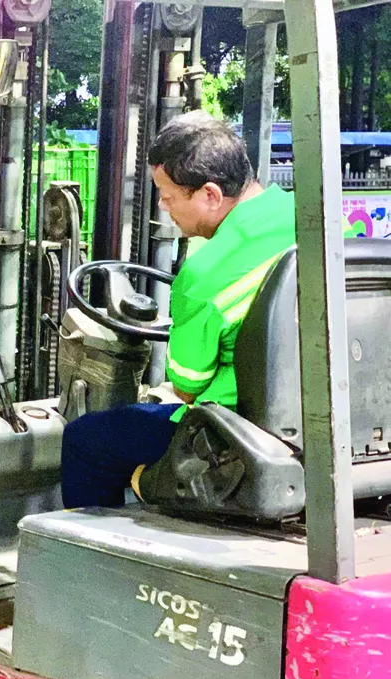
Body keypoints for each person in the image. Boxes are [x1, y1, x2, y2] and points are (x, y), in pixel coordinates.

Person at [61, 111, 299, 509]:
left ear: (209, 194)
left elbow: (187, 387)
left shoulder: (205, 274)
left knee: (86, 439)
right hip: (315, 418)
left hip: (234, 431)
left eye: (169, 197)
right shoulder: (314, 220)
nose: (163, 206)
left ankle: (93, 559)